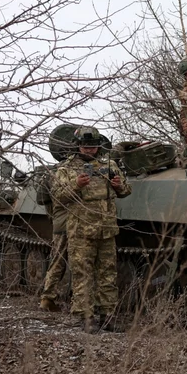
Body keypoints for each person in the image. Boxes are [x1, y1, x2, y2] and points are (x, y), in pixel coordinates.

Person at [50, 126, 131, 333]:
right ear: (78, 146)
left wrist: (118, 184)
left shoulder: (109, 164)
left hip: (106, 228)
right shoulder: (66, 168)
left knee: (108, 274)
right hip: (81, 231)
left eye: (93, 146)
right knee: (82, 274)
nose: (90, 150)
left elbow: (126, 191)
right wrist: (76, 185)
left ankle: (108, 316)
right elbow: (58, 197)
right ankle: (86, 317)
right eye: (86, 147)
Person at [39, 168, 68, 312]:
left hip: (59, 221)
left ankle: (47, 297)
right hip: (74, 223)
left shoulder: (51, 172)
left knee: (57, 260)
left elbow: (41, 199)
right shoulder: (75, 170)